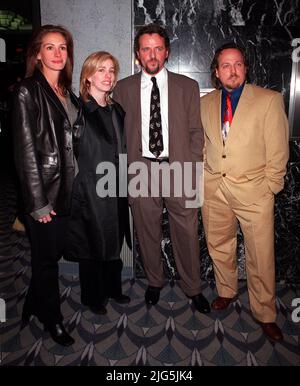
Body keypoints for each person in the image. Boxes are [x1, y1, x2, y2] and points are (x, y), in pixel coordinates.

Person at [113, 24, 210, 314]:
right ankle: (154, 281)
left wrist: (191, 166)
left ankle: (192, 288)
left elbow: (196, 131)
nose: (152, 54)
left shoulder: (187, 86)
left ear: (166, 52)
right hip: (141, 171)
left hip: (179, 170)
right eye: (146, 49)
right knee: (147, 232)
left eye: (157, 48)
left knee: (187, 232)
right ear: (137, 54)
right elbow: (117, 137)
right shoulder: (123, 88)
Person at [200, 42, 289, 341]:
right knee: (219, 245)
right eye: (225, 65)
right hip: (214, 190)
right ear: (216, 72)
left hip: (255, 193)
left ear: (246, 68)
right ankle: (226, 291)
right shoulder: (206, 102)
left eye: (237, 64)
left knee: (261, 255)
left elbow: (279, 150)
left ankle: (265, 312)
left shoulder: (268, 100)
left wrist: (270, 187)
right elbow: (204, 145)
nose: (232, 70)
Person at [13, 25, 84, 346]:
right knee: (46, 260)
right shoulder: (27, 90)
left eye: (63, 48)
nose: (57, 53)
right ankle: (52, 319)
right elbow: (25, 151)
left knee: (50, 255)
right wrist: (37, 202)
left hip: (67, 189)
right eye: (50, 47)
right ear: (37, 53)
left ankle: (31, 302)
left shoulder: (67, 93)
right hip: (44, 192)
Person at [65, 51, 131, 314]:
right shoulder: (77, 110)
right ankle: (92, 297)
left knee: (113, 240)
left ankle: (113, 289)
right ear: (88, 77)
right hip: (89, 189)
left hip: (115, 187)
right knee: (92, 244)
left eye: (111, 70)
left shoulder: (117, 109)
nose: (107, 75)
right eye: (101, 70)